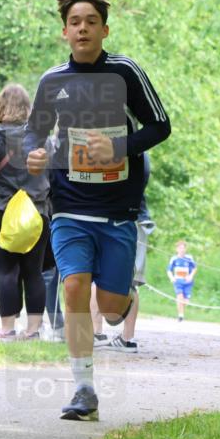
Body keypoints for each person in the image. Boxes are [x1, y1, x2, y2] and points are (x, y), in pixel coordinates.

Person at [25, 0, 171, 420]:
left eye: (91, 21)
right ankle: (84, 388)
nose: (83, 28)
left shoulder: (124, 72)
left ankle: (120, 294)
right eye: (75, 22)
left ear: (104, 30)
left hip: (119, 207)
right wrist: (34, 154)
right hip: (69, 202)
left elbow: (160, 126)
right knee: (72, 285)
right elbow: (35, 132)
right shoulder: (53, 81)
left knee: (109, 311)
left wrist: (121, 147)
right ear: (65, 32)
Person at [0, 84, 49, 340]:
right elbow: (56, 175)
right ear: (28, 108)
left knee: (6, 271)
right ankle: (33, 331)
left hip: (0, 211)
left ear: (0, 106)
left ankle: (7, 329)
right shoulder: (42, 139)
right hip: (37, 214)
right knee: (33, 272)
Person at [92, 151, 154, 353]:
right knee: (132, 281)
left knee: (96, 277)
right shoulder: (141, 152)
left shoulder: (109, 149)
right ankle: (127, 338)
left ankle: (96, 333)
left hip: (114, 219)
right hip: (136, 217)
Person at [166, 241, 196, 322]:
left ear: (185, 249)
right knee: (179, 297)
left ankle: (181, 312)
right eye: (180, 248)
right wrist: (172, 278)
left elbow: (194, 268)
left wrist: (190, 276)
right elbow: (169, 270)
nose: (182, 250)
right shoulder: (174, 259)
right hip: (178, 282)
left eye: (183, 248)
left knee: (186, 301)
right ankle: (181, 315)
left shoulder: (189, 258)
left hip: (187, 282)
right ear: (177, 249)